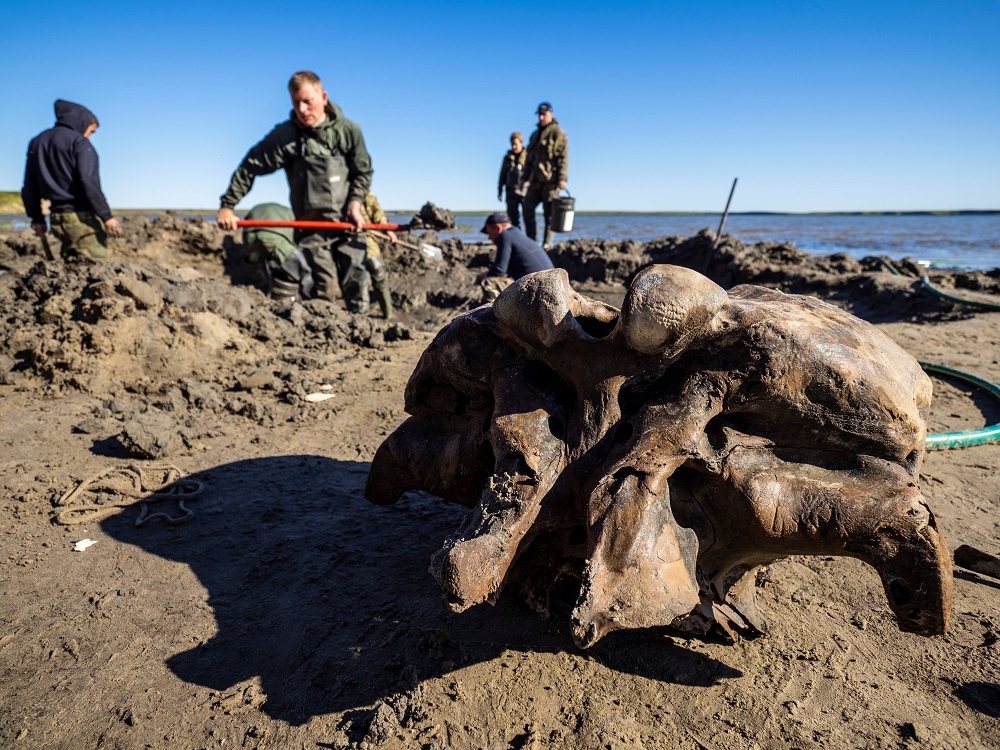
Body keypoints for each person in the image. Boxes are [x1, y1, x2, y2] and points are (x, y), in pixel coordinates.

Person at [217, 70, 373, 313]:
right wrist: (228, 205)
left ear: (323, 97)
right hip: (311, 228)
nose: (302, 109)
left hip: (347, 224)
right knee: (325, 287)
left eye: (307, 101)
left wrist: (355, 203)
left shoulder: (349, 131)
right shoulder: (286, 136)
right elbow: (250, 166)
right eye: (295, 102)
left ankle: (364, 337)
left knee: (357, 281)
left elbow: (362, 172)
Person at [21, 99, 123, 261]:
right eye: (91, 131)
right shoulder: (80, 143)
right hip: (80, 218)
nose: (89, 137)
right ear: (81, 123)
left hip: (56, 219)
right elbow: (89, 182)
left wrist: (37, 218)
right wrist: (107, 217)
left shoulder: (37, 142)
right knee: (97, 268)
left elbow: (29, 186)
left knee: (71, 267)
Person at [520, 102, 568, 251]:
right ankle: (532, 242)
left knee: (550, 214)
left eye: (544, 114)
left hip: (550, 181)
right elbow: (528, 159)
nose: (541, 117)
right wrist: (523, 178)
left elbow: (563, 157)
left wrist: (562, 178)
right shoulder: (534, 135)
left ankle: (547, 243)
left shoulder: (557, 133)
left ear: (550, 114)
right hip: (535, 181)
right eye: (539, 115)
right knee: (527, 208)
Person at [241, 203, 314, 300]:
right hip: (276, 239)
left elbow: (245, 229)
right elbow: (297, 237)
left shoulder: (258, 208)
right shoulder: (291, 212)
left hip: (251, 239)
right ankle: (310, 299)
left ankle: (256, 295)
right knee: (304, 270)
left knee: (259, 272)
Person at [476, 211, 554, 302]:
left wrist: (482, 276)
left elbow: (499, 270)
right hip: (549, 286)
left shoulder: (505, 236)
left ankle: (495, 314)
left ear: (498, 228)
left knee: (489, 282)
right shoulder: (516, 234)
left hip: (538, 291)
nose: (489, 238)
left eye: (489, 233)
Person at [361, 192, 396, 319]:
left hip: (367, 240)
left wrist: (388, 230)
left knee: (379, 275)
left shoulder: (363, 192)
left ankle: (388, 314)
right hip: (346, 241)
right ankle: (361, 318)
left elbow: (377, 213)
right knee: (359, 280)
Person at [497, 131, 527, 228]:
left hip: (525, 191)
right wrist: (500, 189)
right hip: (510, 191)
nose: (514, 147)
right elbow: (502, 174)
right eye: (512, 144)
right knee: (512, 218)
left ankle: (530, 241)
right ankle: (516, 238)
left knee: (528, 217)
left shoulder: (528, 156)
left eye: (516, 144)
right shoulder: (507, 158)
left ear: (521, 143)